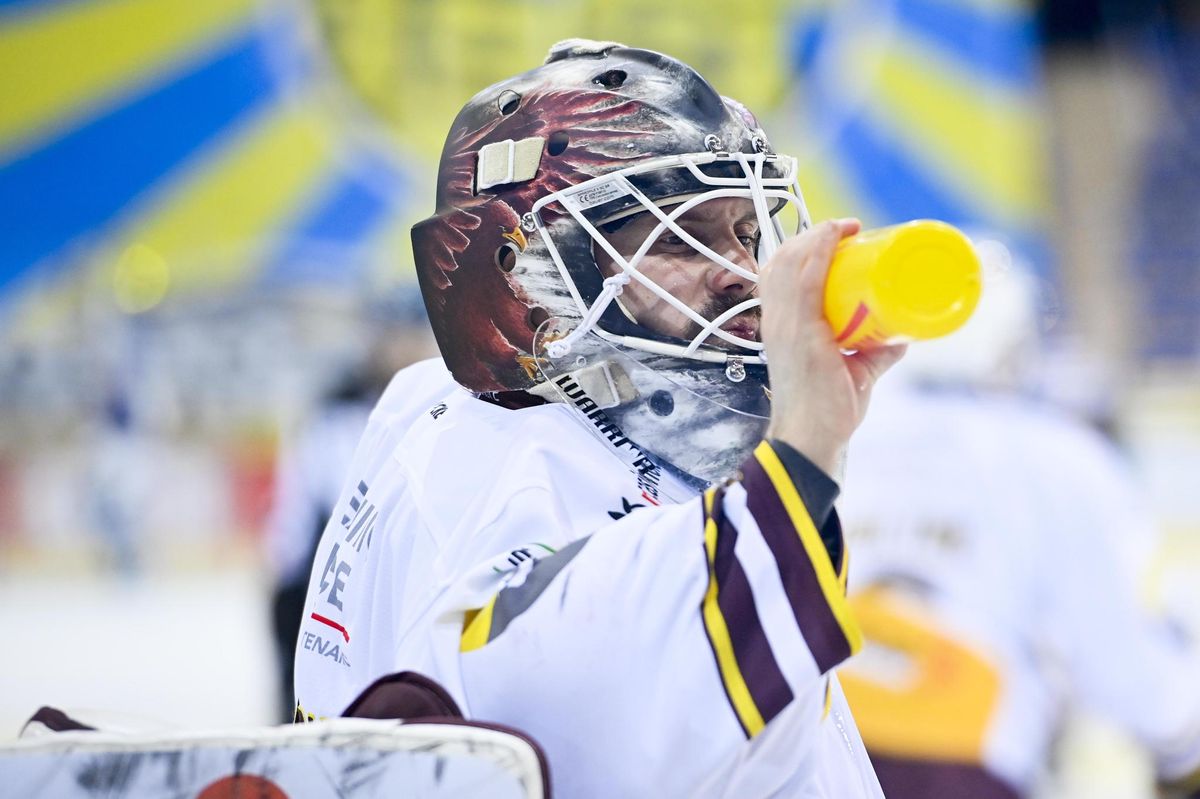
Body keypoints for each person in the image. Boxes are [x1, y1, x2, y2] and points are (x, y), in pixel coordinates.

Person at [292, 39, 904, 797]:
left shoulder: (474, 416)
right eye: (680, 233)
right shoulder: (499, 468)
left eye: (747, 231)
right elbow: (568, 698)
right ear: (522, 276)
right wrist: (806, 448)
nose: (742, 271)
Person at [834, 257, 1200, 798]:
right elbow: (1126, 662)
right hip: (963, 757)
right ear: (1015, 347)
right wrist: (1181, 746)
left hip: (812, 741)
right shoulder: (1057, 456)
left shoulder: (835, 428)